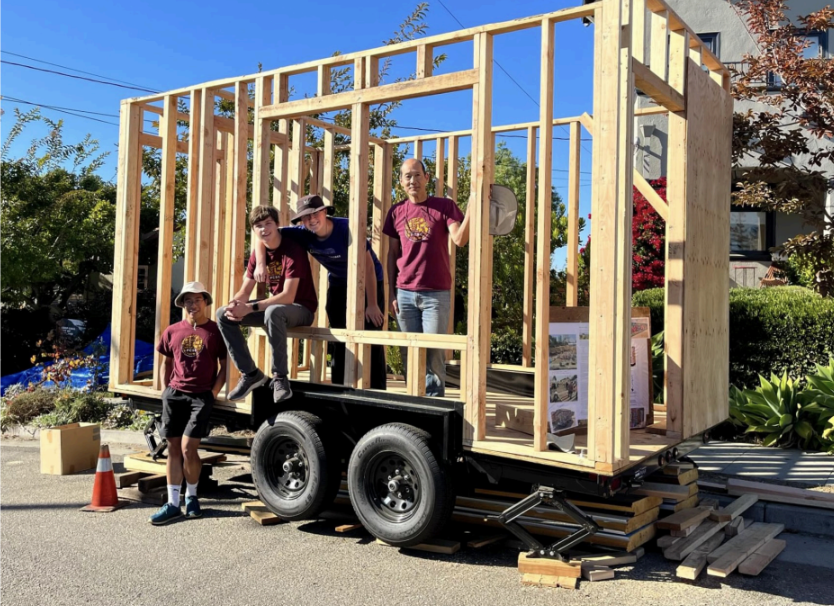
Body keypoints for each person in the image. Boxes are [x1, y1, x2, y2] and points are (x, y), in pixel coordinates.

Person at [254, 194, 387, 389]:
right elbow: (265, 234)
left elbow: (368, 267)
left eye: (315, 214)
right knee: (338, 333)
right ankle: (341, 384)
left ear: (325, 212)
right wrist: (260, 263)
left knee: (372, 333)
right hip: (339, 282)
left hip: (369, 281)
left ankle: (377, 388)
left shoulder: (346, 228)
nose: (311, 220)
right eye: (306, 217)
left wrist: (373, 304)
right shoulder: (303, 232)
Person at [382, 159, 469, 397]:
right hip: (404, 293)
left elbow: (460, 239)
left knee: (433, 353)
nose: (413, 181)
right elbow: (392, 254)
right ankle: (414, 402)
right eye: (407, 176)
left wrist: (471, 208)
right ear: (401, 182)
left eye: (417, 175)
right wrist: (390, 293)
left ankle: (435, 406)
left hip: (436, 293)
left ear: (426, 178)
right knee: (408, 353)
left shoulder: (445, 207)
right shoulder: (396, 212)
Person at [216, 206, 317, 403]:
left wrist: (250, 308)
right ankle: (250, 373)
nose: (264, 229)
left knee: (273, 311)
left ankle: (280, 378)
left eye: (268, 223)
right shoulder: (258, 254)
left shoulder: (292, 250)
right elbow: (245, 290)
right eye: (258, 226)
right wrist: (235, 305)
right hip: (275, 310)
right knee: (222, 314)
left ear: (277, 224)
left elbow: (288, 296)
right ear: (254, 230)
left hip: (301, 309)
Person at [150, 282, 228, 525]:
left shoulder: (216, 332)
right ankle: (173, 503)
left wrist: (213, 393)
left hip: (200, 397)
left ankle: (192, 498)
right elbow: (166, 364)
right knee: (173, 449)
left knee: (187, 449)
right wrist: (166, 392)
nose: (193, 305)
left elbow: (225, 368)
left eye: (197, 300)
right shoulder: (172, 331)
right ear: (183, 305)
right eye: (188, 301)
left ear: (205, 302)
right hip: (175, 395)